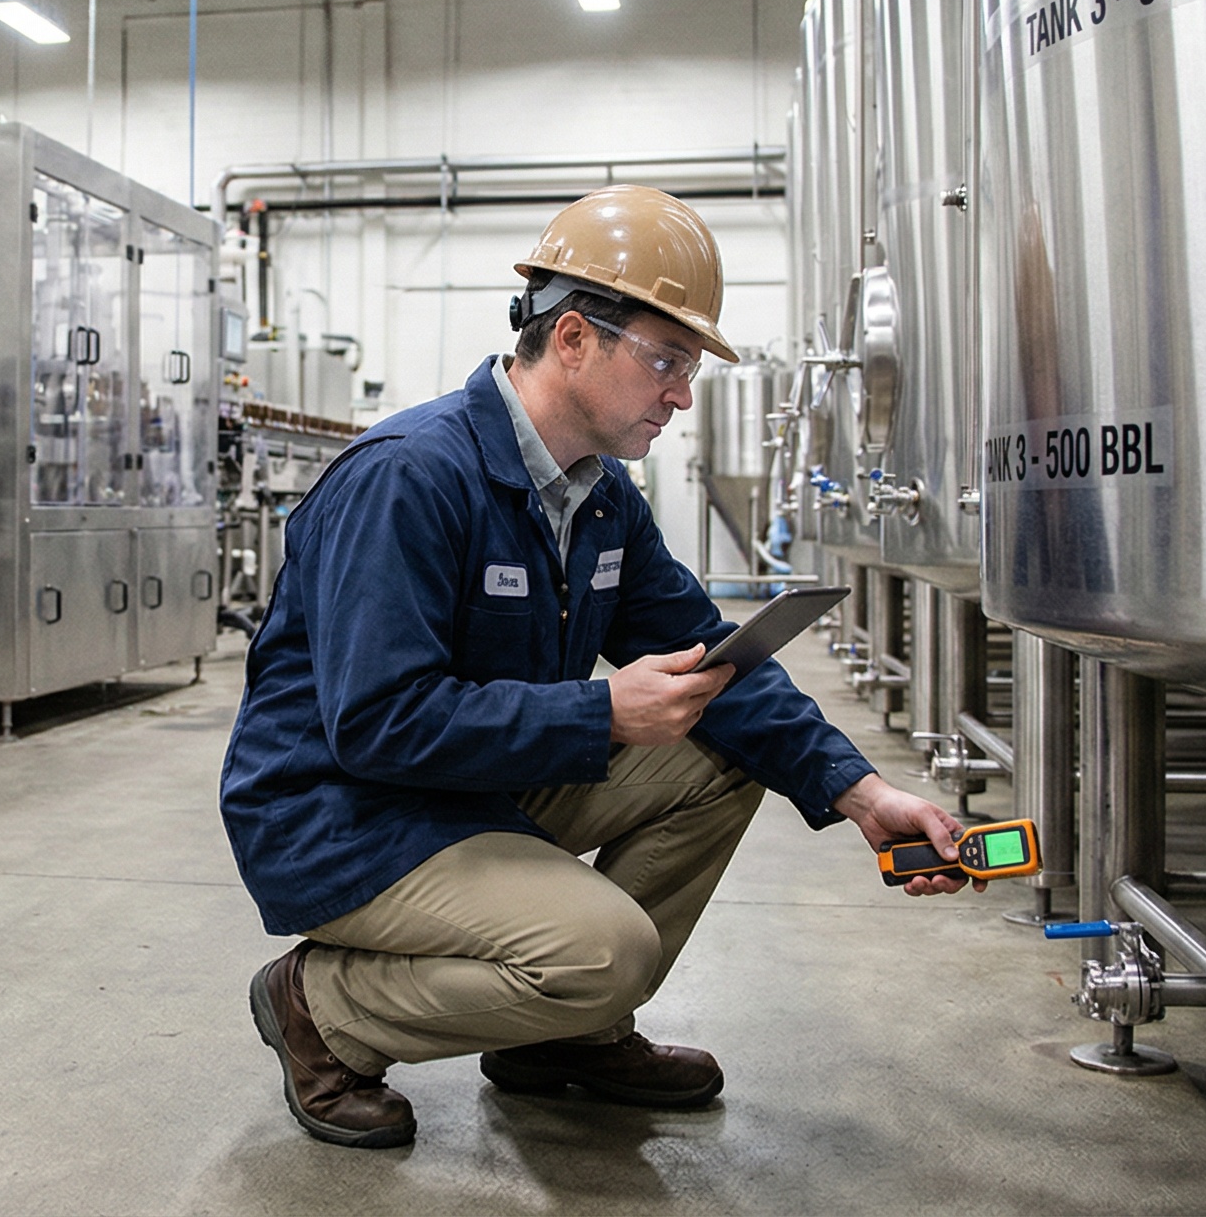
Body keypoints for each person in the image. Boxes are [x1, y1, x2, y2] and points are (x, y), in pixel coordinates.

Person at [219, 185, 975, 1148]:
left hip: (471, 784)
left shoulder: (601, 495)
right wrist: (599, 712)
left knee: (724, 745)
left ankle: (561, 1038)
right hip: (342, 810)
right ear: (572, 339)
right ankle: (321, 1011)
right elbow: (377, 724)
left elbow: (713, 660)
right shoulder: (412, 476)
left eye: (690, 366)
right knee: (605, 949)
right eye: (666, 360)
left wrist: (864, 796)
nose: (681, 393)